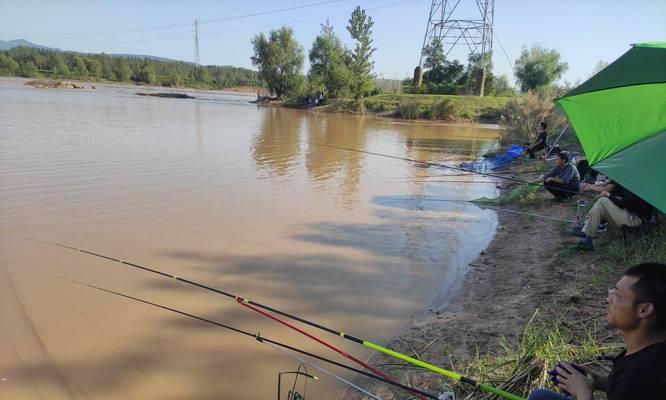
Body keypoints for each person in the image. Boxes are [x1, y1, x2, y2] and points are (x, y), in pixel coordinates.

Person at [528, 262, 666, 400]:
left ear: (644, 310)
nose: (608, 299)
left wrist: (583, 392)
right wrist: (596, 380)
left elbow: (632, 388)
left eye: (617, 294)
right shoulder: (648, 351)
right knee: (540, 396)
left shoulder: (639, 376)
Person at [573, 185, 655, 250]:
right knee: (599, 208)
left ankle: (586, 227)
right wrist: (612, 197)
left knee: (603, 200)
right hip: (628, 215)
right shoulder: (637, 185)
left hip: (635, 221)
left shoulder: (641, 186)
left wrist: (607, 194)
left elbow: (623, 203)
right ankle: (588, 240)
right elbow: (627, 201)